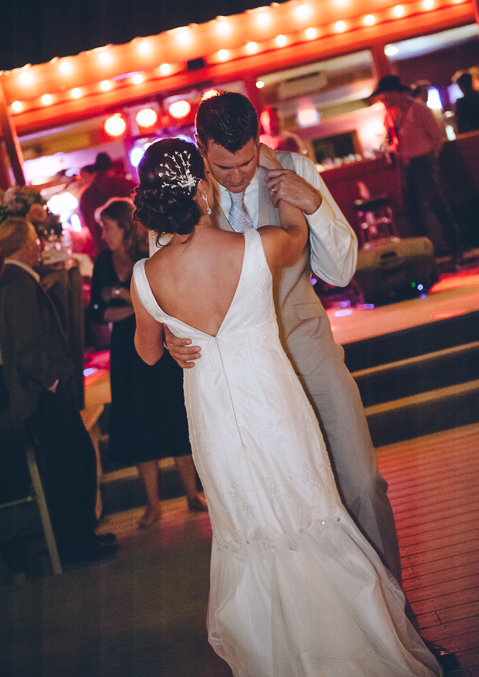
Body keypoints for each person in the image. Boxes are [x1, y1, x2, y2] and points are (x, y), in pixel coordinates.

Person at [131, 138, 441, 676]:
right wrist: (286, 187)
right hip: (273, 402)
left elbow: (148, 351)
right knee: (309, 511)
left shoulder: (145, 275)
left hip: (214, 418)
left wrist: (174, 332)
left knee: (246, 528)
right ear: (203, 187)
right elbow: (297, 239)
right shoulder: (257, 246)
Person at [157, 91, 402, 585]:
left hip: (306, 349)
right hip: (243, 377)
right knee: (283, 503)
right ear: (201, 148)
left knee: (361, 481)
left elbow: (340, 272)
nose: (236, 177)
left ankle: (394, 610)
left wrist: (313, 203)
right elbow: (164, 275)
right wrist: (169, 331)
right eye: (223, 167)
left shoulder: (295, 169)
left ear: (258, 140)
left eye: (246, 162)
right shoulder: (183, 193)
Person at [0, 217, 117, 563]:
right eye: (34, 239)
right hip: (44, 394)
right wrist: (51, 382)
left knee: (76, 461)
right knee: (70, 468)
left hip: (45, 391)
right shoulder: (18, 283)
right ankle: (78, 544)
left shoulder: (20, 279)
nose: (38, 244)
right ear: (25, 244)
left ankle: (83, 537)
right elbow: (27, 347)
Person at [88, 199, 205, 528]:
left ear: (124, 226)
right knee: (138, 422)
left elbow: (162, 303)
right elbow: (97, 313)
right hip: (125, 351)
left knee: (174, 416)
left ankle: (192, 493)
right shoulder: (103, 261)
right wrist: (136, 304)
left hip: (159, 345)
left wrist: (121, 296)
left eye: (106, 227)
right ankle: (152, 505)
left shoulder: (148, 253)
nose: (102, 235)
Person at [370, 75, 464, 263]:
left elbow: (436, 136)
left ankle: (456, 250)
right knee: (413, 212)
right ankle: (425, 256)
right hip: (405, 165)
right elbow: (392, 138)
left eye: (385, 95)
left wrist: (429, 160)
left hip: (422, 162)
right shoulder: (391, 113)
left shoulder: (418, 108)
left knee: (437, 206)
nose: (383, 99)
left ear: (394, 92)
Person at [79, 153, 133, 259]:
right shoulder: (123, 184)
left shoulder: (85, 196)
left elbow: (88, 226)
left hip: (103, 251)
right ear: (112, 169)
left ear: (95, 171)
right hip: (130, 246)